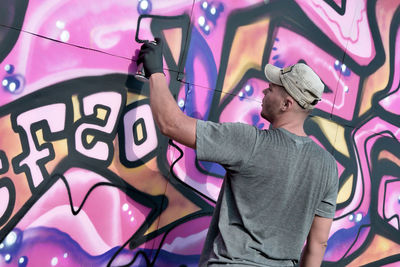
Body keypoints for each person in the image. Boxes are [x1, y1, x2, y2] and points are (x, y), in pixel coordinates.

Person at [137, 38, 339, 267]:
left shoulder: (251, 143)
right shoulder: (327, 167)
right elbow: (317, 244)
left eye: (272, 89)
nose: (265, 90)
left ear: (286, 104)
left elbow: (171, 125)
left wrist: (155, 73)